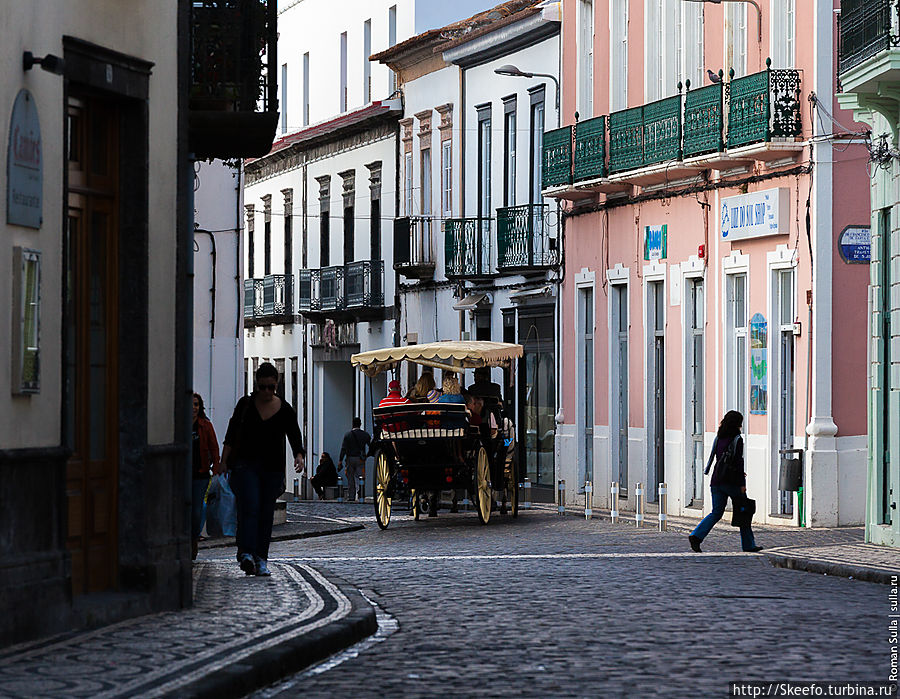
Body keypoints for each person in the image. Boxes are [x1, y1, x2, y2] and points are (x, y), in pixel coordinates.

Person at [221, 362, 305, 577]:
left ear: (277, 385)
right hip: (245, 464)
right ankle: (246, 552)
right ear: (256, 385)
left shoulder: (284, 408)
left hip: (272, 468)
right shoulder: (245, 405)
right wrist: (223, 461)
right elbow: (231, 434)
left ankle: (261, 558)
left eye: (271, 387)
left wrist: (299, 455)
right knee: (249, 506)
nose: (267, 392)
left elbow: (294, 433)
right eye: (263, 387)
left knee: (265, 513)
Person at [688, 410, 762, 553]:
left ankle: (696, 535)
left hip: (717, 480)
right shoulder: (737, 439)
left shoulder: (719, 437)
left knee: (716, 512)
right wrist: (742, 485)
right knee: (744, 512)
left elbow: (718, 459)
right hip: (732, 482)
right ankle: (748, 545)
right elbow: (738, 462)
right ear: (738, 423)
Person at [191, 392, 222, 560]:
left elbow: (214, 448)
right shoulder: (179, 422)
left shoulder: (205, 425)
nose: (193, 408)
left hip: (200, 474)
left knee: (196, 510)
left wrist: (216, 468)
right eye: (191, 404)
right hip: (182, 474)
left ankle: (193, 538)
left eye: (196, 404)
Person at [339, 417, 371, 502]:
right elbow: (371, 446)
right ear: (360, 424)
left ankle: (351, 496)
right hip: (360, 459)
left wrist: (340, 460)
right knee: (360, 477)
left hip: (350, 458)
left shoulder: (348, 435)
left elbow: (343, 449)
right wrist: (366, 455)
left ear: (352, 424)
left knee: (350, 478)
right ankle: (361, 495)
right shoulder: (365, 435)